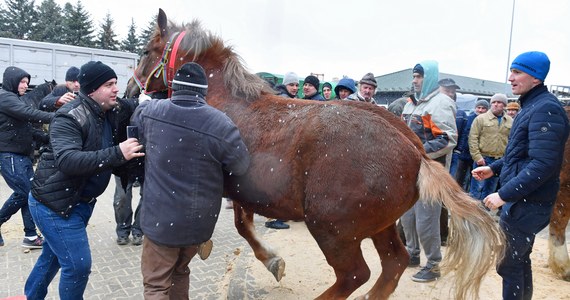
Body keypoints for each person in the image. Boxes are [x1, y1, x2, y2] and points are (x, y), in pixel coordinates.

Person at [24, 61, 144, 299]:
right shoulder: (69, 117)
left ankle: (32, 296)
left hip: (77, 202)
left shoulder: (107, 108)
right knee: (78, 266)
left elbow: (128, 103)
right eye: (109, 84)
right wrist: (118, 153)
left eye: (116, 84)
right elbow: (68, 160)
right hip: (54, 205)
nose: (116, 89)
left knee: (52, 258)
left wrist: (149, 102)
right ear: (91, 90)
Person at [131, 62, 250, 299]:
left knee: (156, 285)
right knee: (180, 271)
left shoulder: (153, 111)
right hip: (198, 224)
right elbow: (241, 165)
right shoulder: (220, 123)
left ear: (174, 87)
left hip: (160, 222)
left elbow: (136, 122)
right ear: (203, 92)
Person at [472, 51, 569, 300]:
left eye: (517, 72)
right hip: (524, 200)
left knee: (509, 264)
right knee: (518, 260)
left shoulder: (545, 108)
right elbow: (523, 153)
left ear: (535, 78)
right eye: (512, 71)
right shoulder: (533, 105)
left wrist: (503, 194)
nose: (511, 77)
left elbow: (543, 164)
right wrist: (495, 168)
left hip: (528, 203)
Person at [400, 61, 457, 282]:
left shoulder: (440, 103)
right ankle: (412, 254)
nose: (415, 80)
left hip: (430, 171)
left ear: (430, 77)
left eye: (419, 77)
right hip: (409, 171)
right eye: (414, 76)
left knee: (426, 221)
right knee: (407, 217)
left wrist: (416, 154)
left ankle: (433, 265)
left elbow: (447, 139)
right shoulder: (411, 103)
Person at [0, 66, 54, 248]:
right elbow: (29, 115)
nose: (26, 85)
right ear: (12, 82)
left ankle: (30, 236)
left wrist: (48, 138)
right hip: (10, 156)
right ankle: (29, 234)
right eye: (22, 82)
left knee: (26, 193)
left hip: (22, 156)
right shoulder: (5, 97)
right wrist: (57, 117)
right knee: (28, 193)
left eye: (27, 82)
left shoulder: (16, 99)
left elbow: (27, 128)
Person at [437, 78, 466, 246]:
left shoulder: (453, 107)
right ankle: (441, 234)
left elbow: (454, 135)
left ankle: (442, 234)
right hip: (435, 155)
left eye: (452, 91)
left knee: (441, 195)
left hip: (446, 154)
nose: (450, 93)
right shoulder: (437, 105)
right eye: (447, 90)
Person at [468, 93, 513, 201]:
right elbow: (473, 138)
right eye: (493, 102)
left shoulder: (510, 121)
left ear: (504, 105)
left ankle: (485, 213)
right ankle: (472, 213)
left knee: (490, 190)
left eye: (499, 102)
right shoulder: (481, 119)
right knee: (476, 188)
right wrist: (477, 157)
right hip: (483, 159)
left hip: (499, 161)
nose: (496, 104)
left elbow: (512, 140)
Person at [454, 99, 489, 190]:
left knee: (474, 179)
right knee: (459, 178)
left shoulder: (488, 121)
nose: (480, 110)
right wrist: (460, 149)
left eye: (483, 108)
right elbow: (463, 134)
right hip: (464, 153)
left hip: (479, 156)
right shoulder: (469, 119)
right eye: (478, 107)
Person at [113, 175, 143, 245]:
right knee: (121, 197)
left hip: (146, 166)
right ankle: (123, 229)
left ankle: (138, 230)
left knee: (148, 196)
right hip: (123, 167)